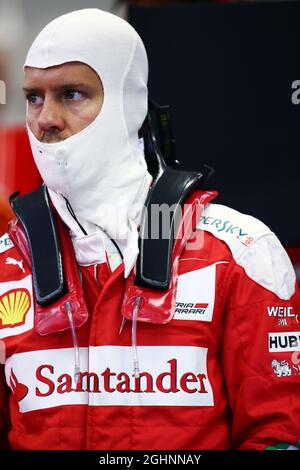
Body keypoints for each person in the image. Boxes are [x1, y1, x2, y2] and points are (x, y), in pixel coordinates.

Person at [0, 8, 299, 451]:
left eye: (72, 93)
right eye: (34, 98)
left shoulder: (239, 253)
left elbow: (280, 436)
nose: (46, 119)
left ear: (129, 102)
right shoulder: (7, 264)